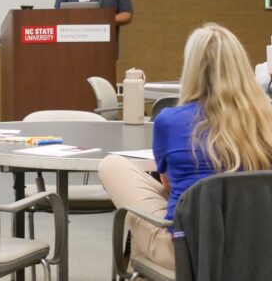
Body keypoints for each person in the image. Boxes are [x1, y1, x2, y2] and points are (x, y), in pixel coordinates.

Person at [98, 23, 272, 272]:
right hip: (256, 249)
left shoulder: (169, 120)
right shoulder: (266, 121)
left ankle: (141, 272)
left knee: (113, 166)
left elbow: (168, 185)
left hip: (187, 252)